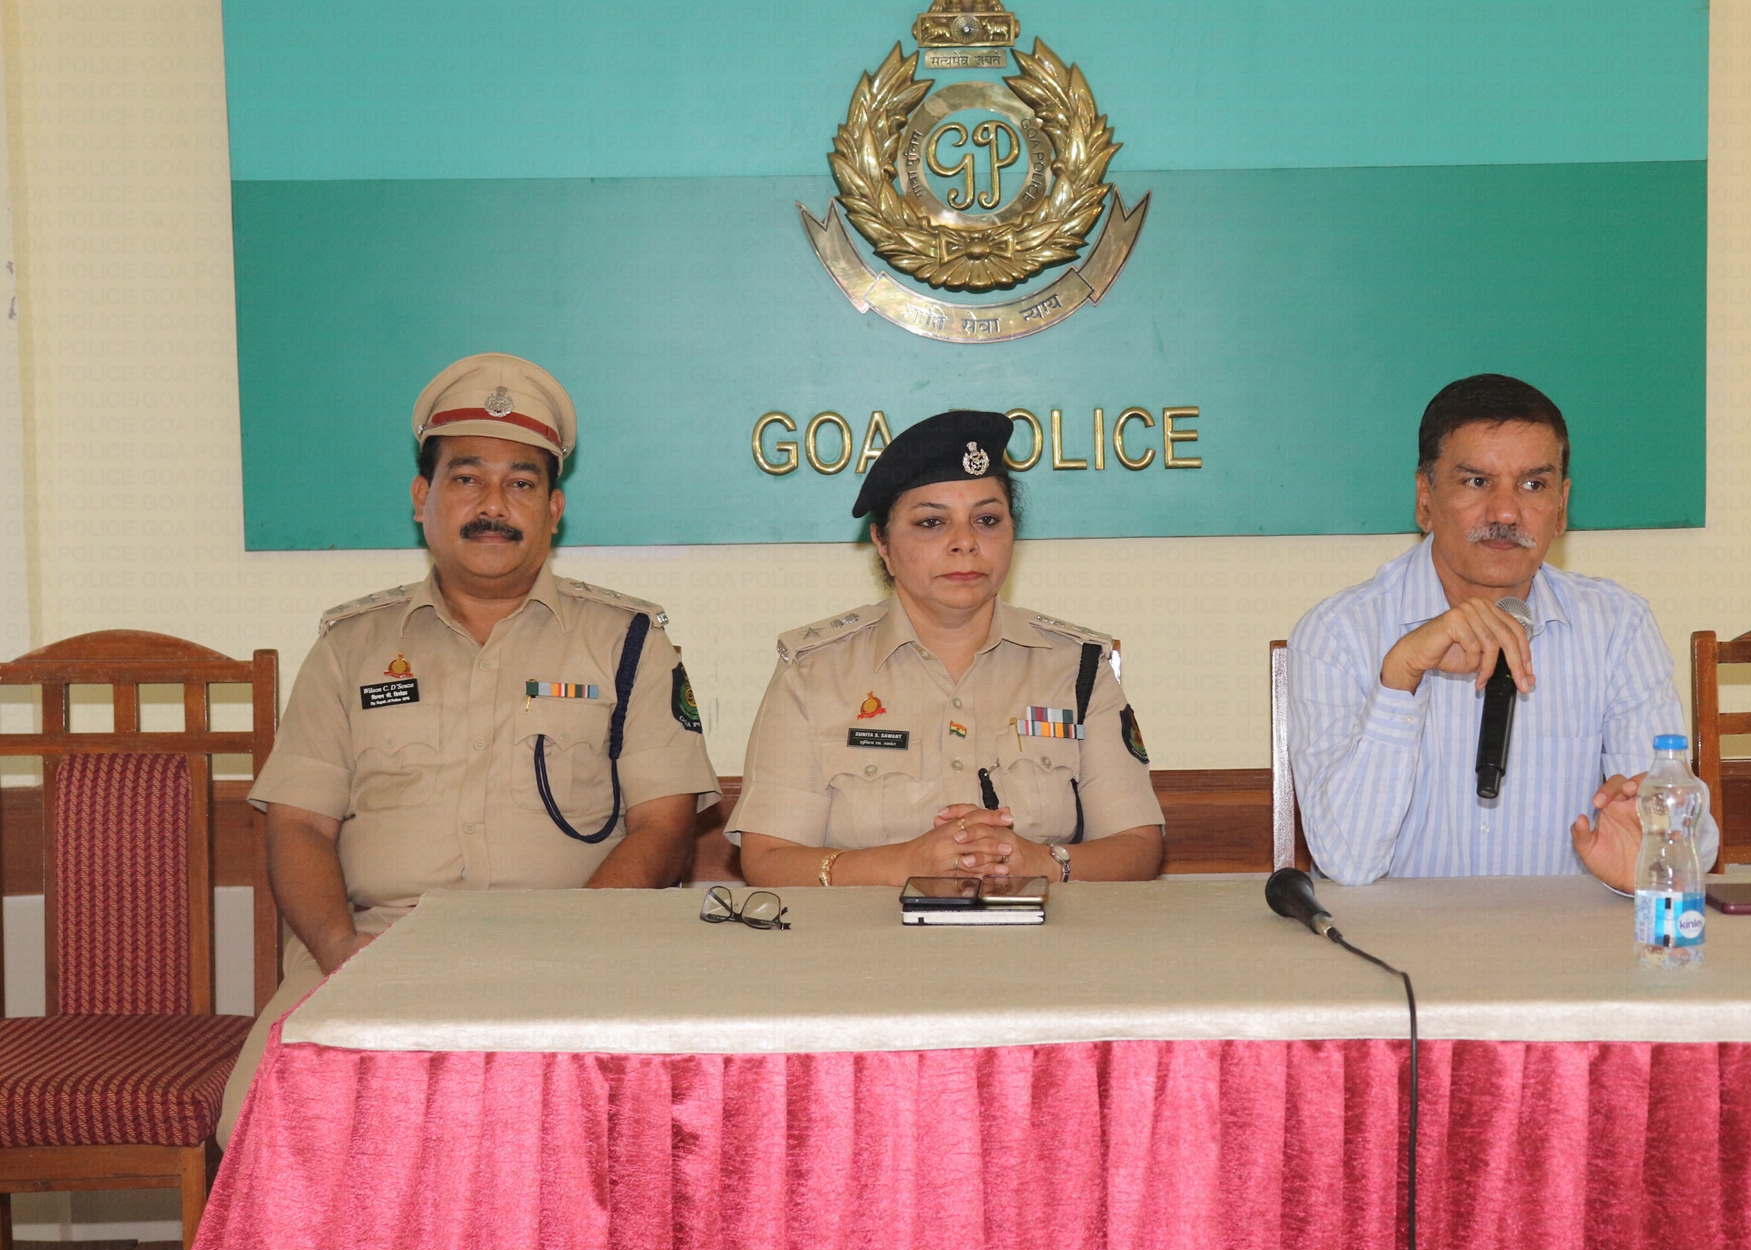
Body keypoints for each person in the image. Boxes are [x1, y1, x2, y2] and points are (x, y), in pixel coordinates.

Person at [220, 353, 721, 1143]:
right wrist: (341, 951)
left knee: (646, 1129)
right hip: (375, 945)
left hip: (578, 950)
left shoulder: (628, 644)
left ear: (554, 509)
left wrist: (572, 947)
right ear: (422, 498)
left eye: (521, 482)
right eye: (467, 479)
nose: (494, 505)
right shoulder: (350, 649)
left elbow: (664, 826)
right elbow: (298, 826)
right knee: (269, 1124)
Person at [1288, 373, 1718, 887]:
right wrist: (1400, 677)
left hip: (1564, 933)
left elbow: (1687, 841)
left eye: (1533, 485)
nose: (1507, 512)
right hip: (1401, 936)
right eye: (1476, 482)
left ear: (1561, 508)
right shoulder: (1337, 636)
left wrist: (1657, 844)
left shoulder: (1617, 628)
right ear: (1424, 499)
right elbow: (1347, 863)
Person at [728, 410, 1163, 886]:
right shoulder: (814, 672)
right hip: (868, 934)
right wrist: (902, 864)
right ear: (882, 544)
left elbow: (1138, 848)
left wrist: (1040, 861)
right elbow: (768, 859)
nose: (965, 542)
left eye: (987, 520)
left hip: (1041, 932)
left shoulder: (1078, 667)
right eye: (932, 522)